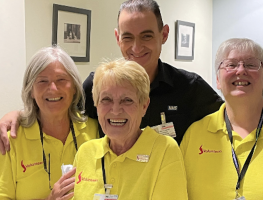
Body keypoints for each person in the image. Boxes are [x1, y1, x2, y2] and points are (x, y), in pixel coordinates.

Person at [0, 0, 223, 154]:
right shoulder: (96, 85)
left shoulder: (189, 87)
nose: (136, 47)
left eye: (146, 36)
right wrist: (17, 114)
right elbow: (57, 107)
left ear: (163, 34)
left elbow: (231, 117)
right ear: (117, 38)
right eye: (128, 37)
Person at [72, 59, 188, 199]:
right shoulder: (85, 153)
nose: (115, 110)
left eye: (127, 100)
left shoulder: (164, 150)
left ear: (144, 106)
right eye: (106, 99)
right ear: (96, 104)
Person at [0, 46, 99, 199]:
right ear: (31, 90)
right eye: (42, 81)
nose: (53, 88)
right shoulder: (11, 140)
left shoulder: (95, 131)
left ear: (74, 87)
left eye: (61, 79)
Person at [180, 38, 263, 199]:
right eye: (231, 64)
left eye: (251, 64)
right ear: (217, 80)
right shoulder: (195, 134)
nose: (241, 70)